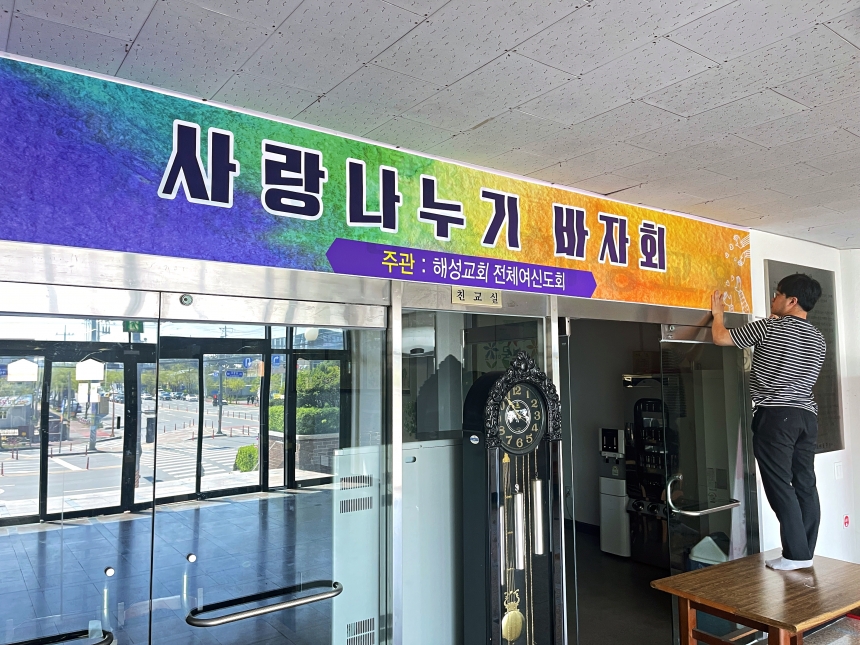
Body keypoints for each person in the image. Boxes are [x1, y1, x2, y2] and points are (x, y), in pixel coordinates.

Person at [710, 273, 826, 571]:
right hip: (807, 417)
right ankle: (804, 553)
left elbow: (721, 337)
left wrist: (718, 315)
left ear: (792, 300)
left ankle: (796, 555)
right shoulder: (818, 337)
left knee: (779, 485)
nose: (773, 299)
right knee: (805, 483)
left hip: (776, 416)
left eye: (777, 294)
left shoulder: (769, 327)